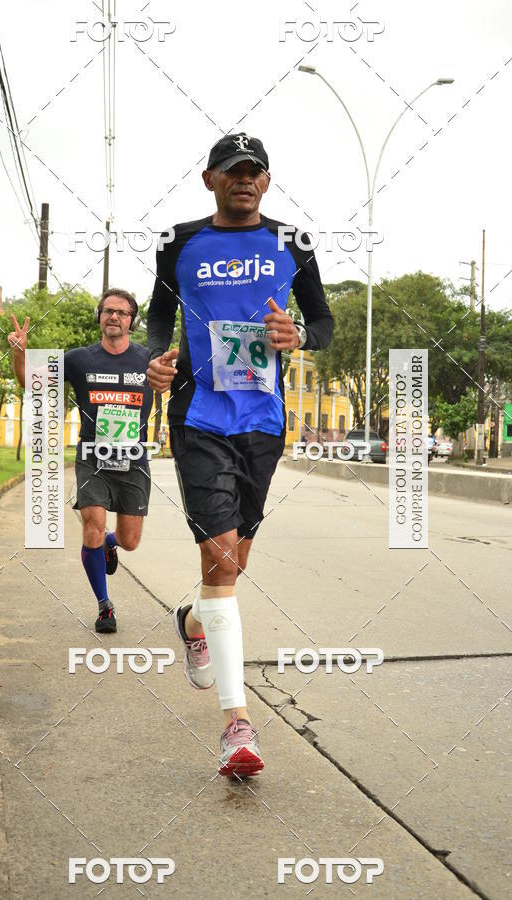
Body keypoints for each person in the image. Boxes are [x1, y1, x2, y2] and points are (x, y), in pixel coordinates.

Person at [146, 133, 334, 777]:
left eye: (255, 172)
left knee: (233, 562)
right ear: (210, 180)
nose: (245, 181)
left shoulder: (294, 244)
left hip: (263, 422)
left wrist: (298, 335)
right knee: (221, 560)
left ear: (268, 181)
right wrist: (156, 359)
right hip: (198, 417)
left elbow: (324, 324)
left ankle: (194, 622)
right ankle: (237, 724)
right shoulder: (179, 244)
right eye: (233, 172)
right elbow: (157, 319)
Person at [9, 288, 153, 633]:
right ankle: (104, 607)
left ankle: (109, 543)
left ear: (132, 321)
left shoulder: (149, 358)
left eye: (121, 312)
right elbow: (32, 383)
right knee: (92, 524)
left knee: (130, 541)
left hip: (132, 457)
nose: (114, 316)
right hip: (92, 455)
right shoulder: (78, 359)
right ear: (99, 316)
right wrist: (20, 353)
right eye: (108, 311)